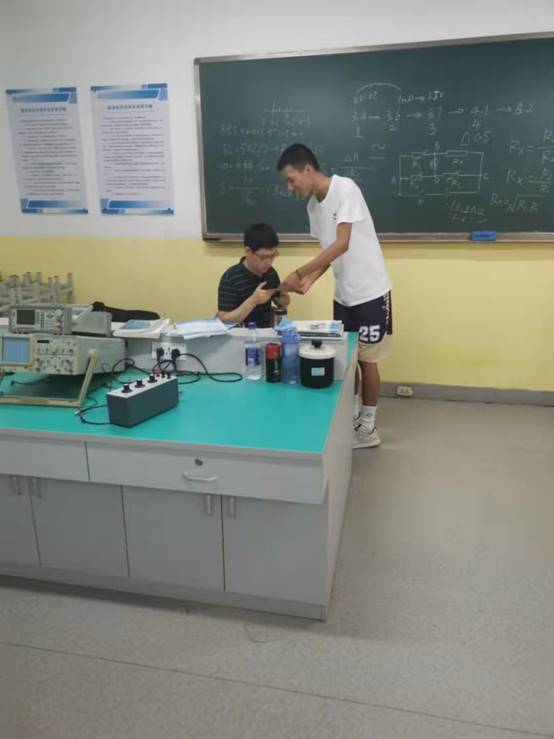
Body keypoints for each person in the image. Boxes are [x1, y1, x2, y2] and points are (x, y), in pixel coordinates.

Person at [276, 143, 392, 448]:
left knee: (367, 360)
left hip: (370, 291)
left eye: (291, 180)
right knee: (348, 359)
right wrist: (310, 279)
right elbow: (329, 255)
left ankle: (368, 429)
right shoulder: (313, 208)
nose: (290, 188)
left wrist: (299, 272)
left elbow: (343, 243)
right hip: (344, 295)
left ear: (307, 169)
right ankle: (348, 420)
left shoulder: (345, 188)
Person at [217, 222, 290, 328]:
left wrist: (283, 302)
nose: (269, 262)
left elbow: (279, 302)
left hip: (265, 333)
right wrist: (253, 300)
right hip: (239, 335)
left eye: (273, 256)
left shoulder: (270, 273)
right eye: (263, 257)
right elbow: (223, 320)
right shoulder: (231, 278)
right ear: (248, 251)